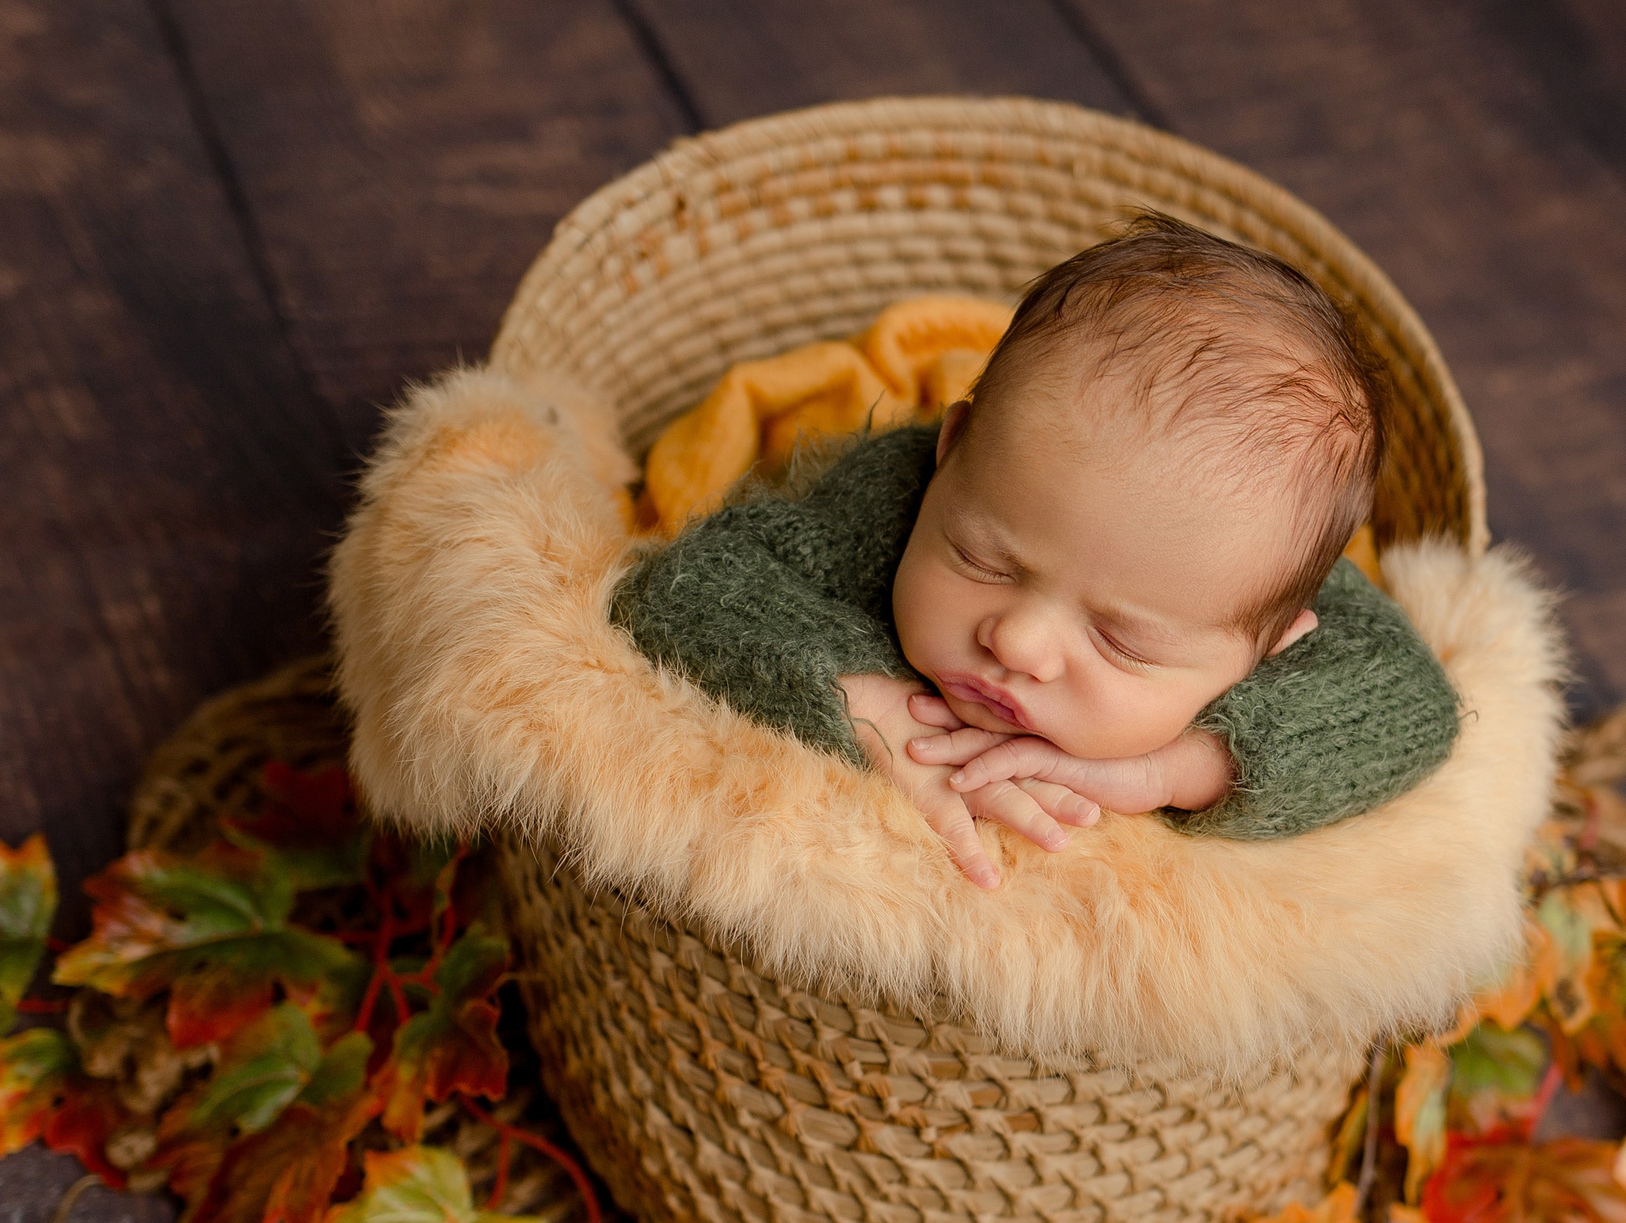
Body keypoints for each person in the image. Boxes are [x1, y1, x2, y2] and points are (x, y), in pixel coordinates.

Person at [611, 212, 1460, 889]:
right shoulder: (893, 498)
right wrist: (857, 695)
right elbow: (688, 585)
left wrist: (1178, 765)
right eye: (985, 561)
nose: (1016, 641)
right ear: (951, 451)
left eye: (1121, 641)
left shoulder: (1245, 578)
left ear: (1271, 645)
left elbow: (1413, 706)